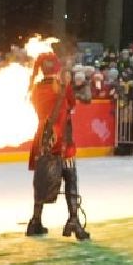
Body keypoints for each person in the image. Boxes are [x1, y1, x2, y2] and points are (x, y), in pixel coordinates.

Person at [27, 49, 89, 240]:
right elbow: (73, 104)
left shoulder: (35, 88)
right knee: (70, 177)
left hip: (44, 138)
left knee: (42, 178)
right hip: (62, 138)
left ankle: (36, 220)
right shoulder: (62, 87)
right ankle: (73, 219)